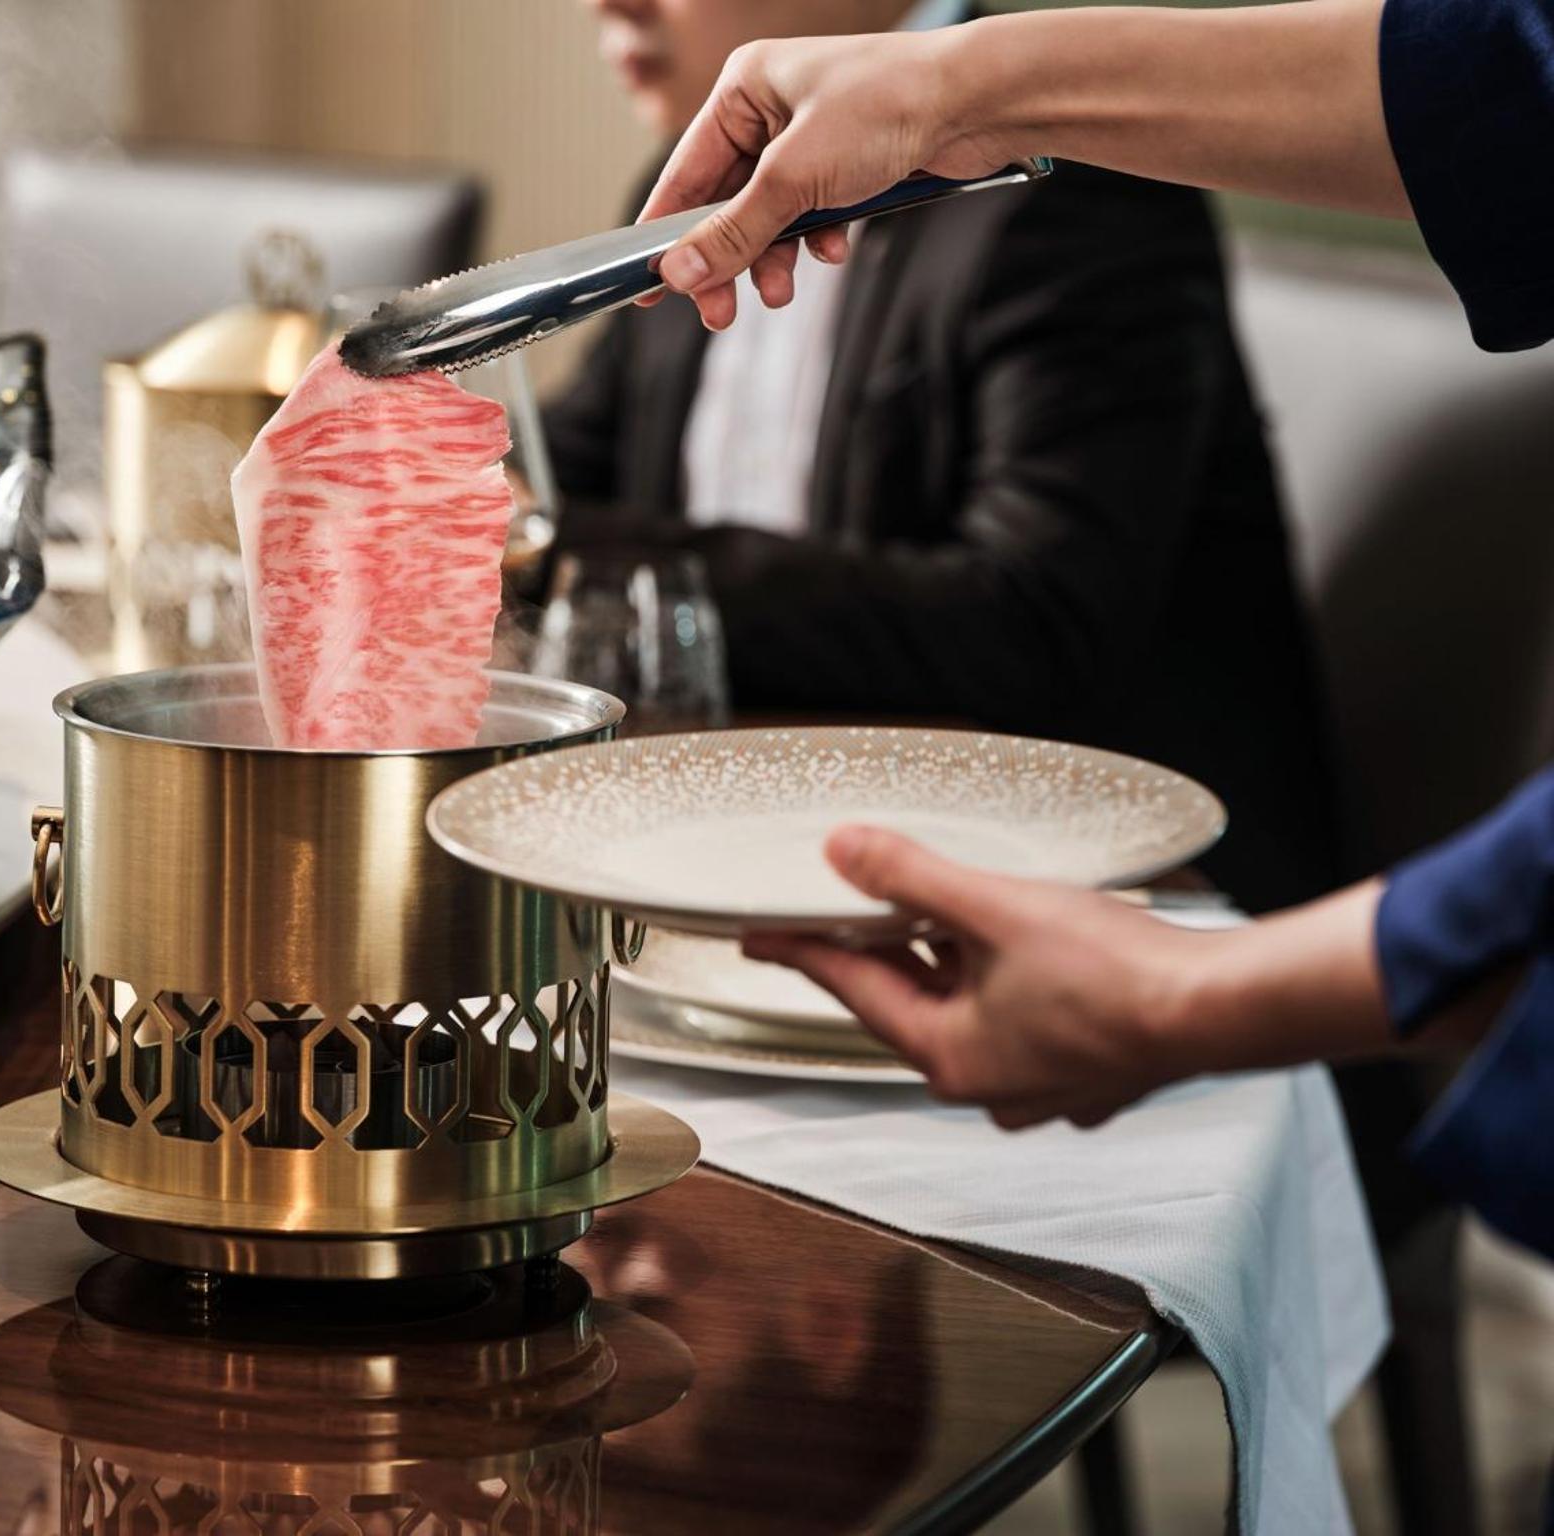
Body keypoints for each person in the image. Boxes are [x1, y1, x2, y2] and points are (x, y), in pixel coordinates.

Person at [632, 0, 1554, 1266]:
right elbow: (1508, 76)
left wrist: (1191, 991)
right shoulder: (711, 190)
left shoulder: (1079, 212)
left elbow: (1506, 82)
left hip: (1127, 968)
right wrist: (956, 88)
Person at [545, 0, 1341, 916]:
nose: (609, 4)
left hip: (1123, 905)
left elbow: (1028, 623)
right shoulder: (695, 193)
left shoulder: (1072, 189)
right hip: (788, 849)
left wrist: (555, 543)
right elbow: (572, 466)